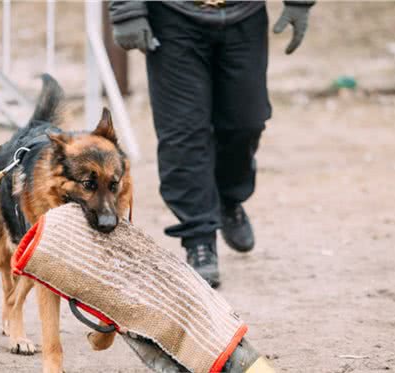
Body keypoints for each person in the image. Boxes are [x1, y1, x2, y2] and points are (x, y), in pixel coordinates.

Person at [109, 0, 314, 288]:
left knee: (246, 122)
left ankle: (228, 199)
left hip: (245, 14)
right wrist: (127, 11)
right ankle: (199, 238)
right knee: (183, 131)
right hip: (172, 16)